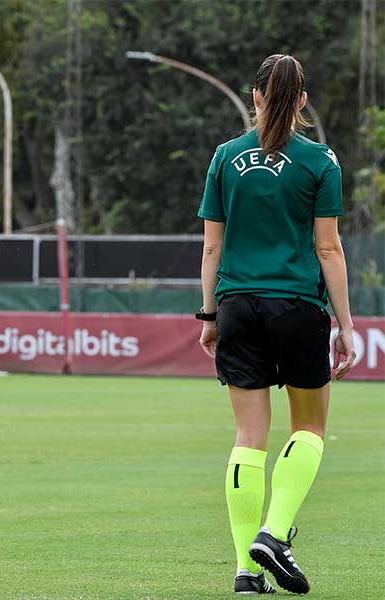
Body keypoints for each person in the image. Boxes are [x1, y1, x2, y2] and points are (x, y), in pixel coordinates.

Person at [197, 54, 356, 595]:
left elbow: (212, 246)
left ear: (255, 97)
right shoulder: (321, 161)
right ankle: (273, 533)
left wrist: (211, 315)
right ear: (303, 100)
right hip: (297, 306)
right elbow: (328, 249)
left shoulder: (224, 156)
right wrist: (347, 325)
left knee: (248, 437)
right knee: (308, 428)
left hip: (238, 304)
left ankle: (246, 568)